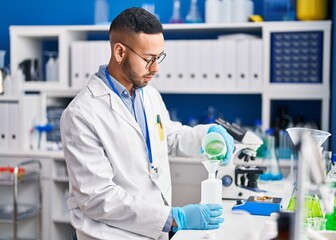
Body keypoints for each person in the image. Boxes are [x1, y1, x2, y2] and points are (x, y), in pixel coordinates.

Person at [60, 7, 234, 240]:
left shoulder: (148, 95)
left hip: (153, 232)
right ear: (120, 52)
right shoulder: (81, 114)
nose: (156, 68)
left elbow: (170, 137)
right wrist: (173, 218)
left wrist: (207, 136)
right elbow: (98, 198)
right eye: (148, 59)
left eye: (159, 57)